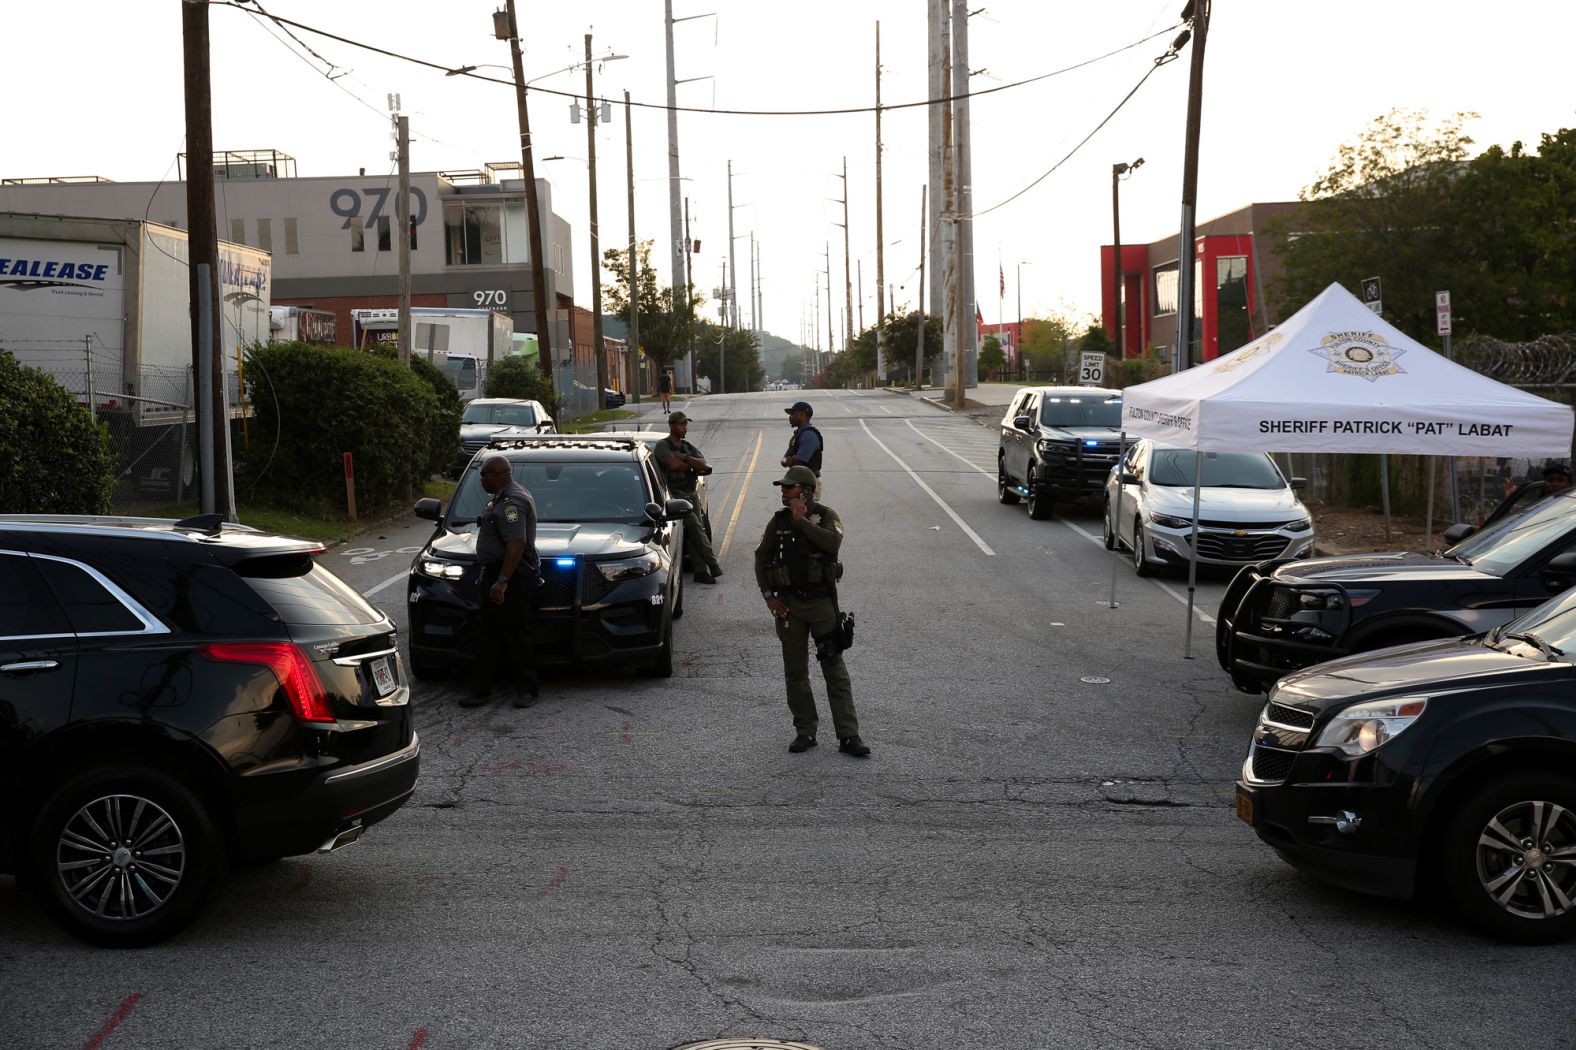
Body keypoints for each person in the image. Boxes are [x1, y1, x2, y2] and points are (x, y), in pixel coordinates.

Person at [754, 464, 869, 758]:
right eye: (782, 487)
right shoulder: (778, 522)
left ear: (805, 491)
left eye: (788, 487)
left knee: (834, 670)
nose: (783, 491)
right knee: (795, 672)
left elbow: (832, 542)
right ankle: (805, 731)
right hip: (790, 606)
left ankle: (848, 735)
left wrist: (802, 520)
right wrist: (769, 597)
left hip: (821, 605)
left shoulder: (827, 516)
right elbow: (761, 558)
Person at [465, 455, 540, 709]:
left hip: (511, 576)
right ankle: (481, 689)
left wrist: (503, 581)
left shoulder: (512, 502)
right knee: (488, 633)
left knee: (516, 633)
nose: (481, 479)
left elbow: (516, 545)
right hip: (496, 573)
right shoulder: (500, 499)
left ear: (496, 475)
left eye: (483, 474)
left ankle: (527, 690)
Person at [653, 411, 724, 585]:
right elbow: (673, 465)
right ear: (672, 426)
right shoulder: (663, 446)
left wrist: (685, 458)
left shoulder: (686, 447)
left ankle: (700, 571)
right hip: (674, 495)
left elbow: (704, 465)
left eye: (686, 424)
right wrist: (691, 465)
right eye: (681, 424)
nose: (684, 427)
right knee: (697, 529)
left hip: (691, 493)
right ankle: (713, 564)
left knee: (695, 532)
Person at [780, 400, 823, 502]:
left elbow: (800, 462)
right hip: (796, 482)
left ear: (802, 415)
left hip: (808, 484)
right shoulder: (798, 435)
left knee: (804, 514)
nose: (790, 417)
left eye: (793, 414)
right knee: (793, 515)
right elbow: (784, 459)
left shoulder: (809, 436)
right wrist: (786, 461)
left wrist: (790, 461)